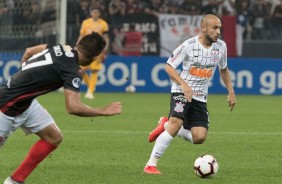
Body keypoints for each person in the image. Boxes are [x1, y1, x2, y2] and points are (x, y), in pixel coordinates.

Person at [1, 32, 122, 184]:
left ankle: (14, 181)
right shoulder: (72, 69)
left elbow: (29, 51)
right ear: (95, 58)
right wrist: (102, 111)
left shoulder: (61, 48)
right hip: (5, 107)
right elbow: (73, 107)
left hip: (26, 103)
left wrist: (23, 74)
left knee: (53, 137)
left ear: (79, 44)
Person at [143, 14, 236, 174]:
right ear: (204, 28)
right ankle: (151, 165)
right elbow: (169, 67)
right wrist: (183, 84)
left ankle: (164, 124)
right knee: (176, 124)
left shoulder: (221, 47)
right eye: (215, 27)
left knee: (199, 138)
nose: (218, 31)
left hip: (200, 97)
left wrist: (231, 91)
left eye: (219, 28)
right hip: (181, 91)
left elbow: (224, 69)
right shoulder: (189, 45)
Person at [77, 8, 110, 99]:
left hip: (97, 50)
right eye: (94, 12)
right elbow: (81, 35)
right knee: (81, 70)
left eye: (97, 12)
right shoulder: (85, 22)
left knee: (94, 70)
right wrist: (77, 45)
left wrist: (105, 48)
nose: (95, 14)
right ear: (91, 13)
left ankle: (90, 92)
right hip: (85, 49)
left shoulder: (103, 24)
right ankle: (91, 87)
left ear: (99, 14)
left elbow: (106, 37)